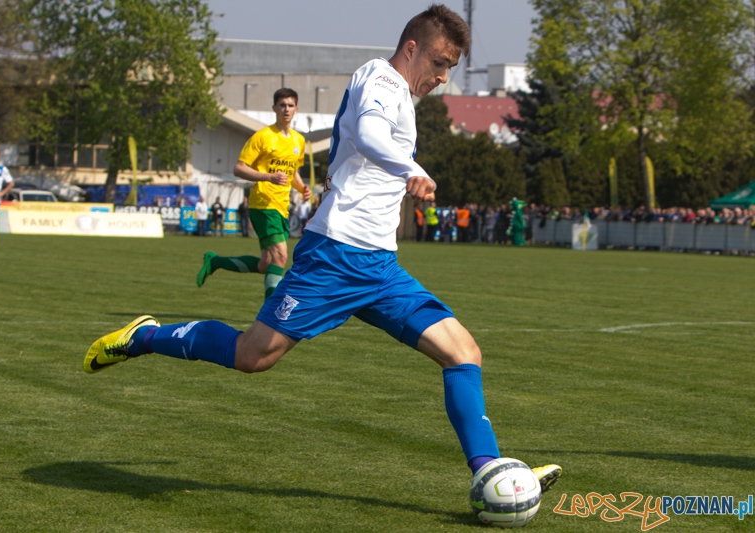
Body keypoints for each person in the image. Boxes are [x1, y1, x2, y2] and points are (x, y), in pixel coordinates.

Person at [84, 4, 560, 511]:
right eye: (440, 62)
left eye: (451, 68)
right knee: (253, 356)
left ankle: (491, 471)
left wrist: (390, 169)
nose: (443, 77)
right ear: (412, 47)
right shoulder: (382, 80)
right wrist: (410, 170)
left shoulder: (397, 92)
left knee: (463, 352)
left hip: (379, 266)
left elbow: (359, 145)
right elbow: (374, 136)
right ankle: (146, 336)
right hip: (334, 256)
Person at [197, 88, 311, 299]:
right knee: (281, 255)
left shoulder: (298, 141)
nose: (286, 109)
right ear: (274, 108)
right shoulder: (263, 137)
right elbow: (239, 168)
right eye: (282, 105)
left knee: (266, 264)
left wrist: (302, 188)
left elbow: (292, 172)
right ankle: (271, 317)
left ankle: (215, 261)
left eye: (290, 105)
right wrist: (268, 177)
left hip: (281, 207)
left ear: (296, 109)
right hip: (263, 204)